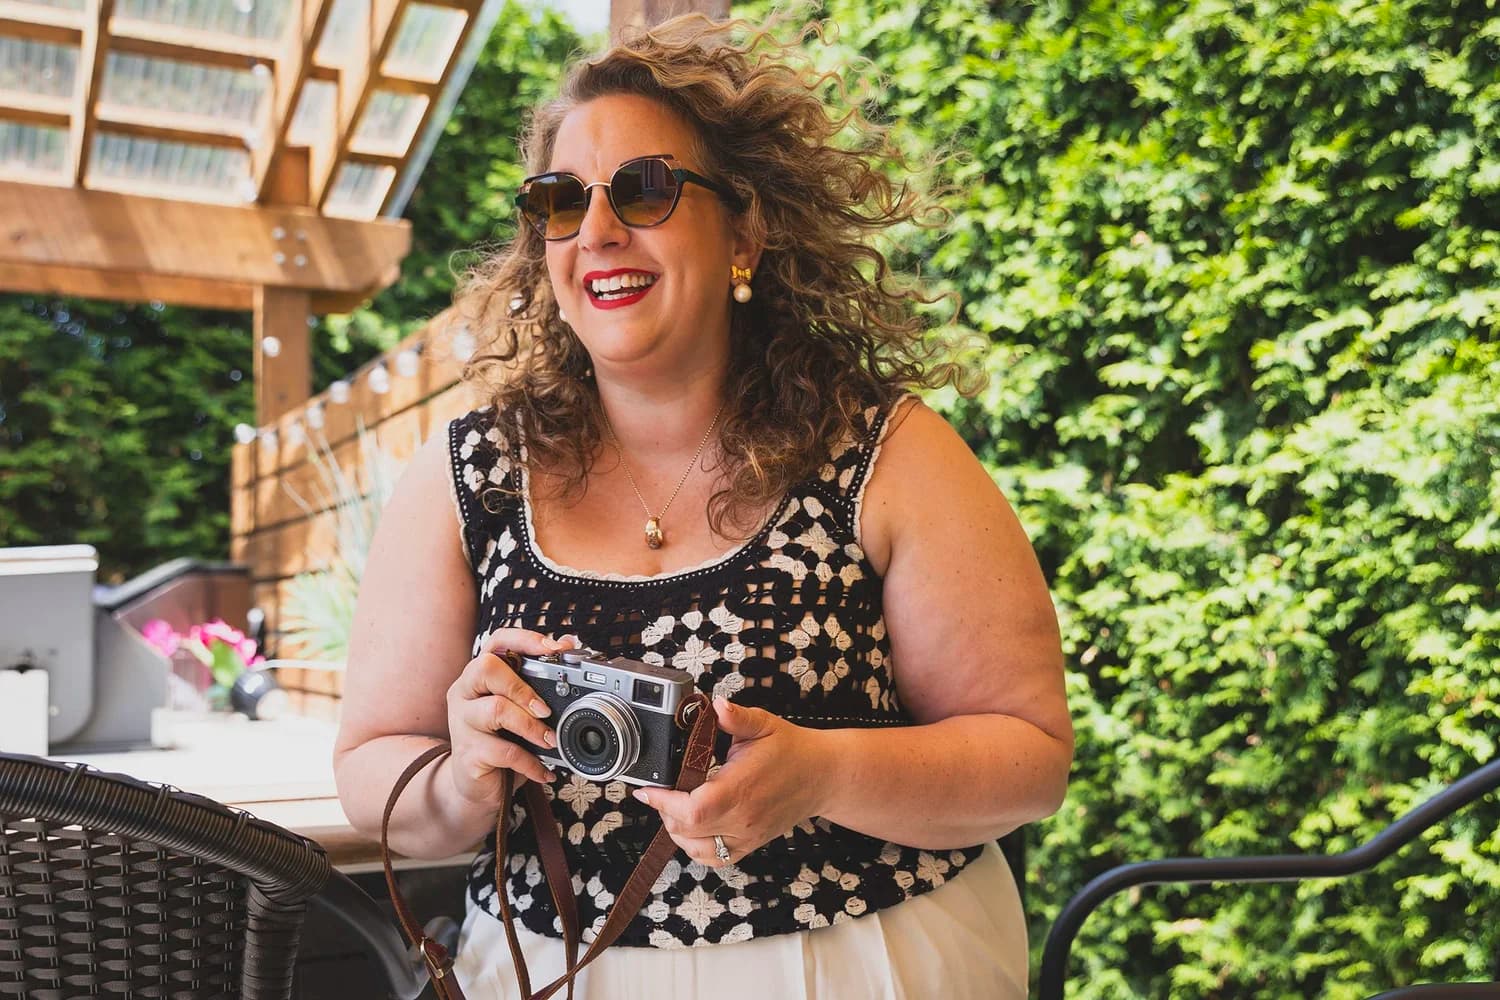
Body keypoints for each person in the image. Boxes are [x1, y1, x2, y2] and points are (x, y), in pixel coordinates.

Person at [333, 11, 1072, 999]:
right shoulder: (468, 476)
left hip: (865, 967)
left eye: (644, 190)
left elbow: (1028, 757)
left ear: (746, 231)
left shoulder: (880, 452)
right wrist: (463, 774)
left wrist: (823, 772)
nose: (595, 231)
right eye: (559, 200)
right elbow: (370, 767)